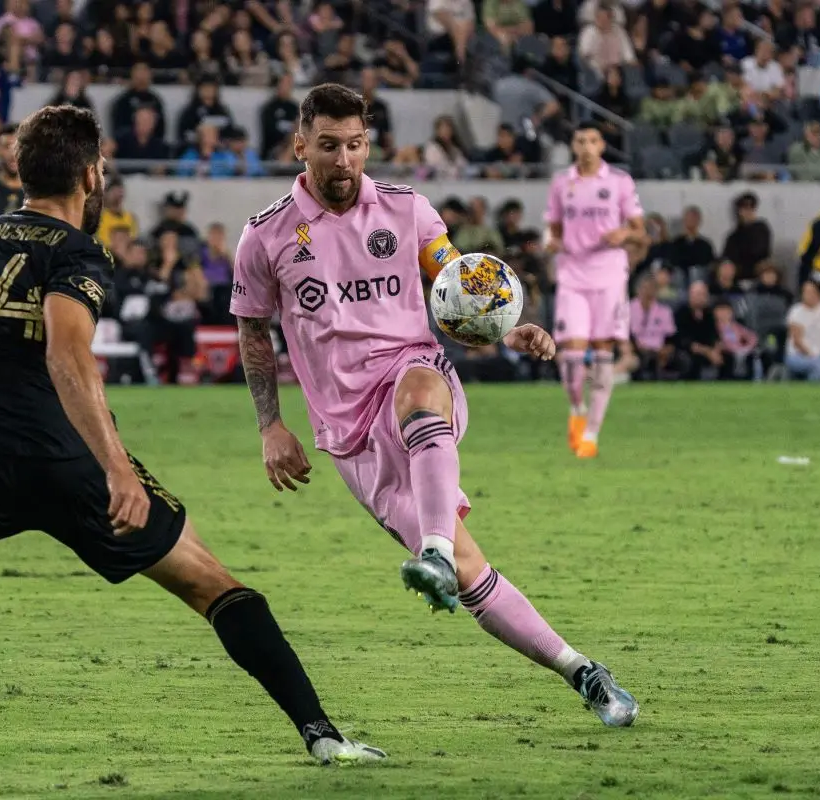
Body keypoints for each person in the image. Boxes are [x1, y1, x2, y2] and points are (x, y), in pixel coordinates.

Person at [0, 105, 384, 766]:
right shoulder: (75, 250)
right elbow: (67, 358)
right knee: (213, 586)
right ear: (92, 175)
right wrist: (117, 469)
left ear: (20, 171)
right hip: (76, 467)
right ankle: (322, 735)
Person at [230, 84, 639, 728]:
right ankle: (580, 670)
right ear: (300, 145)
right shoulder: (265, 237)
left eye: (355, 145)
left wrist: (507, 327)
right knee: (474, 574)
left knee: (419, 388)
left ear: (369, 144)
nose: (343, 160)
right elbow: (253, 330)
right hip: (349, 433)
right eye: (328, 146)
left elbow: (456, 285)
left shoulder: (407, 210)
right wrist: (270, 425)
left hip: (416, 376)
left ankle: (435, 554)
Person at [545, 122, 645, 458]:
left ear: (601, 146)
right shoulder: (562, 183)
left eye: (592, 140)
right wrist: (551, 242)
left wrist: (624, 234)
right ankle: (576, 408)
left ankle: (591, 433)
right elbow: (553, 228)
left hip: (609, 276)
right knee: (572, 354)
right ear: (573, 146)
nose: (586, 146)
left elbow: (640, 231)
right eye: (580, 140)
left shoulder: (619, 182)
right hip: (573, 275)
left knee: (603, 350)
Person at [784, 281, 820, 381]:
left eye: (812, 292)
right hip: (798, 356)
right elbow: (797, 342)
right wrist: (813, 356)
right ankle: (813, 392)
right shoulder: (796, 311)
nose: (809, 295)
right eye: (806, 292)